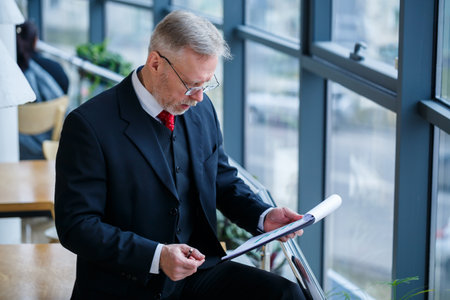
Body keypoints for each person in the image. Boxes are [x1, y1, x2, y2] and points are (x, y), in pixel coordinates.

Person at [54, 10, 306, 300]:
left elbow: (221, 179)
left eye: (206, 84)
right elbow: (77, 225)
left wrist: (263, 215)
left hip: (199, 274)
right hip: (125, 285)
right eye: (191, 84)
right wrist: (157, 256)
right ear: (156, 63)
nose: (199, 96)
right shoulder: (89, 125)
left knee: (286, 294)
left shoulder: (200, 108)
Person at [16, 20, 69, 160]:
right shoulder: (55, 70)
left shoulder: (7, 75)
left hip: (12, 145)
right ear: (35, 41)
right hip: (48, 144)